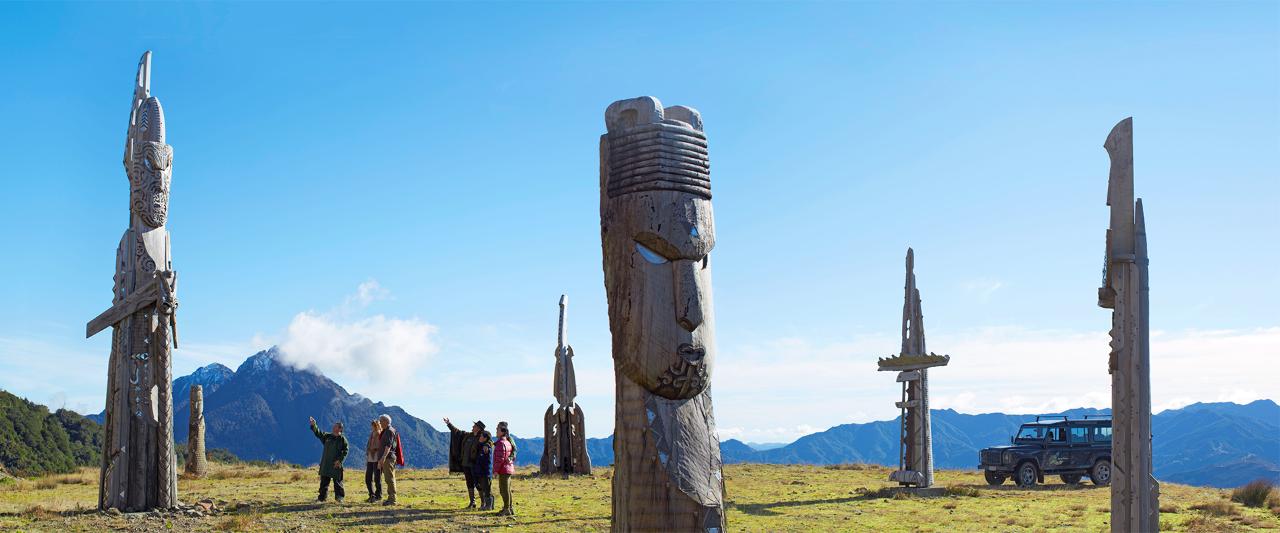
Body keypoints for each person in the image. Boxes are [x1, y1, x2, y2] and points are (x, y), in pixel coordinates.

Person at [444, 417, 485, 508]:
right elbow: (457, 432)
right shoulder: (468, 435)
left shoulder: (482, 438)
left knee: (478, 483)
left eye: (474, 425)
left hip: (475, 465)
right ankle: (472, 503)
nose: (472, 426)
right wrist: (449, 424)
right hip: (465, 464)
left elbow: (488, 443)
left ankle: (483, 503)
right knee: (469, 483)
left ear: (478, 428)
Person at [308, 416, 348, 503]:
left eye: (335, 426)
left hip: (336, 464)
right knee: (324, 482)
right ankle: (322, 498)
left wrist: (340, 460)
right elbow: (319, 433)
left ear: (340, 429)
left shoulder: (342, 439)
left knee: (338, 482)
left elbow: (345, 451)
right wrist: (314, 425)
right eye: (334, 426)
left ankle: (339, 497)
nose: (333, 427)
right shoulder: (327, 436)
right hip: (326, 463)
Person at [493, 421, 517, 516]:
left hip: (504, 468)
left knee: (504, 489)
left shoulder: (505, 441)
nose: (496, 430)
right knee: (507, 489)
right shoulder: (506, 441)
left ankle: (507, 508)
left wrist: (495, 470)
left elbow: (500, 458)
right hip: (508, 467)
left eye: (498, 428)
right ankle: (509, 508)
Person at [377, 414, 399, 505]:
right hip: (388, 458)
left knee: (389, 478)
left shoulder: (389, 431)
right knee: (388, 478)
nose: (380, 423)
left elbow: (388, 445)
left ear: (386, 421)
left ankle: (392, 499)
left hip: (388, 458)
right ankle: (391, 498)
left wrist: (383, 457)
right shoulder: (387, 430)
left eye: (381, 421)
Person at [473, 430, 494, 510]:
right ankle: (489, 506)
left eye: (481, 436)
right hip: (482, 471)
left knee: (487, 489)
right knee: (485, 489)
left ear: (485, 438)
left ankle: (488, 506)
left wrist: (487, 445)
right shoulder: (482, 445)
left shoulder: (486, 446)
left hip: (485, 472)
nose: (479, 437)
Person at [364, 419, 383, 502]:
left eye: (374, 425)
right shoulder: (372, 434)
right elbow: (369, 445)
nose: (373, 427)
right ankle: (371, 494)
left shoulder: (380, 434)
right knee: (368, 477)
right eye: (372, 425)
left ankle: (378, 495)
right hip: (370, 458)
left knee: (377, 478)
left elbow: (382, 446)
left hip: (377, 458)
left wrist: (375, 449)